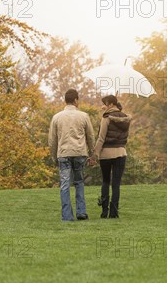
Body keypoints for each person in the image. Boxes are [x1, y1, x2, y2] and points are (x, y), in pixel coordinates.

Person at [48, 89, 96, 222]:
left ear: (65, 100)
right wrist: (93, 154)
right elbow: (90, 136)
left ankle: (67, 216)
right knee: (79, 182)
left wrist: (54, 156)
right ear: (75, 100)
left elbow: (52, 140)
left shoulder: (57, 117)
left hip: (63, 154)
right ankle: (81, 212)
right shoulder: (84, 116)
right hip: (80, 152)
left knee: (64, 185)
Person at [93, 95, 131, 218]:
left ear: (110, 104)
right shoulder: (126, 118)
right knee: (116, 184)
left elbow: (101, 138)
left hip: (106, 154)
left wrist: (94, 155)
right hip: (121, 153)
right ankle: (114, 213)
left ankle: (104, 211)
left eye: (104, 104)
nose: (102, 106)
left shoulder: (106, 118)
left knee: (105, 181)